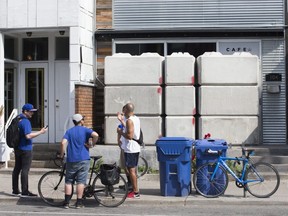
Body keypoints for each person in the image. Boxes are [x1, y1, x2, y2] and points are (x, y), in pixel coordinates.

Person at [59, 114, 99, 209]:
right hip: (83, 158)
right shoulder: (85, 130)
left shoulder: (69, 131)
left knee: (69, 181)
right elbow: (96, 135)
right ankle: (79, 203)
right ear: (81, 121)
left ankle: (66, 203)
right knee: (81, 181)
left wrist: (61, 154)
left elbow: (63, 142)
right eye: (83, 119)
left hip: (71, 159)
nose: (83, 120)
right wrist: (92, 144)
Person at [12, 103, 48, 197]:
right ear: (25, 111)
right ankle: (25, 191)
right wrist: (41, 132)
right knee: (25, 170)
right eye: (31, 112)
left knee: (16, 169)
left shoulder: (17, 119)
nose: (32, 113)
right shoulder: (25, 121)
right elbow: (28, 136)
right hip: (26, 149)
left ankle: (15, 190)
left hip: (17, 148)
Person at [117, 103, 141, 199]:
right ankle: (134, 190)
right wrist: (122, 121)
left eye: (124, 110)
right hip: (134, 147)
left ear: (127, 110)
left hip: (131, 148)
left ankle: (136, 192)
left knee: (131, 171)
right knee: (132, 170)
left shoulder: (130, 121)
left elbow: (129, 136)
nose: (123, 112)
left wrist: (120, 132)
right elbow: (131, 130)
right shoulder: (136, 118)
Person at [117, 105, 132, 190]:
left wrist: (121, 120)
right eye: (121, 113)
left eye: (123, 112)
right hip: (123, 145)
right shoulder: (122, 122)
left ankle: (131, 183)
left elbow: (127, 131)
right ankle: (129, 182)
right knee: (124, 166)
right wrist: (118, 140)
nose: (122, 114)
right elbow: (119, 131)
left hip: (129, 147)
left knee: (129, 166)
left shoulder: (129, 120)